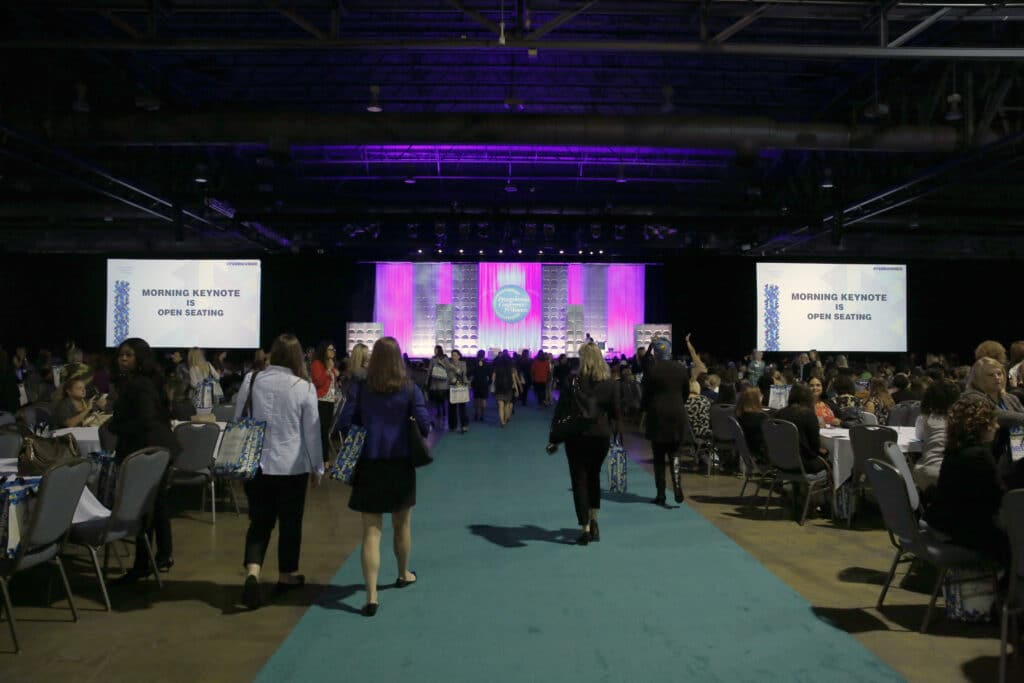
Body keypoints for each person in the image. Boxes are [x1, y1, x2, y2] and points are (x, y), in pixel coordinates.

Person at [336, 337, 430, 617]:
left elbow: (344, 421)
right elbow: (425, 426)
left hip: (369, 465)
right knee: (402, 526)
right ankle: (402, 573)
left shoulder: (360, 387)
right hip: (400, 464)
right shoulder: (410, 388)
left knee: (371, 532)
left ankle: (372, 596)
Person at [235, 333, 323, 610]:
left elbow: (239, 418)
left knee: (259, 523)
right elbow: (312, 433)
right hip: (291, 467)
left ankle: (253, 572)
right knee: (290, 523)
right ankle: (286, 575)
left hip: (257, 464)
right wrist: (317, 467)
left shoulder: (251, 380)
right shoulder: (304, 387)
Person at [107, 338, 178, 583]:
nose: (122, 359)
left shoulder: (139, 385)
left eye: (128, 355)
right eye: (120, 355)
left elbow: (146, 420)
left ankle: (143, 563)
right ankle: (161, 556)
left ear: (140, 358)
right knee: (156, 504)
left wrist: (116, 425)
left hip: (148, 451)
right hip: (156, 449)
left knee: (144, 507)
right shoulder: (144, 382)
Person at [924, 393, 1009, 569]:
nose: (997, 426)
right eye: (993, 422)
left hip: (942, 523)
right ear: (981, 425)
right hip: (961, 530)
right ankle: (1008, 592)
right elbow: (996, 501)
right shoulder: (979, 455)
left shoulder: (955, 448)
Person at [546, 343, 620, 545]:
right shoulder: (609, 383)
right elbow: (616, 413)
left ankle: (585, 528)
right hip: (600, 436)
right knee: (594, 477)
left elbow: (561, 411)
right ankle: (594, 519)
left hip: (576, 436)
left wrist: (553, 439)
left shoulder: (572, 381)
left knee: (579, 481)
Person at [641, 337, 690, 505]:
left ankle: (661, 494)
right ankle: (677, 486)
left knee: (659, 457)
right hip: (677, 413)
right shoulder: (681, 369)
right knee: (675, 453)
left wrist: (644, 410)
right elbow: (686, 393)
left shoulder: (651, 371)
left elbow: (645, 395)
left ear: (656, 353)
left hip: (657, 416)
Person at [913, 379, 961, 492]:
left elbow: (919, 436)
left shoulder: (924, 418)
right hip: (949, 472)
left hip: (924, 472)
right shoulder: (958, 419)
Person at [773, 383, 828, 474]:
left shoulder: (779, 413)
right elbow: (814, 447)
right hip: (802, 464)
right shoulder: (809, 415)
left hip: (779, 461)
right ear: (809, 397)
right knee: (830, 460)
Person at [310, 340, 341, 464]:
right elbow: (318, 382)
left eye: (333, 350)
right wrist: (328, 372)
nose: (332, 352)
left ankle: (324, 459)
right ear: (324, 350)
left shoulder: (331, 364)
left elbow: (332, 384)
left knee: (326, 431)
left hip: (330, 401)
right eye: (330, 349)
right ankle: (324, 460)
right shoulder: (317, 363)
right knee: (322, 431)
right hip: (321, 401)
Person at [735, 386, 767, 460]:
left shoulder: (739, 415)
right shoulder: (762, 418)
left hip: (744, 447)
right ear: (756, 399)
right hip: (759, 451)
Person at [492, 351, 521, 427]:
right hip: (508, 388)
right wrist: (517, 390)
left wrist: (492, 386)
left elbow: (493, 378)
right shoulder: (510, 368)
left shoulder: (497, 367)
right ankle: (505, 419)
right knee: (507, 405)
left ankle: (502, 421)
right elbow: (513, 379)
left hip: (499, 387)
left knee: (500, 405)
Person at [446, 349, 469, 433]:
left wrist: (454, 368)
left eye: (455, 355)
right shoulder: (448, 365)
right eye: (452, 355)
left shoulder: (463, 364)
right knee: (452, 407)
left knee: (462, 408)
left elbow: (462, 373)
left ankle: (464, 425)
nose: (453, 357)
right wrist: (453, 379)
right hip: (452, 387)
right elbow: (449, 376)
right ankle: (452, 426)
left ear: (459, 356)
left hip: (461, 386)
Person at [426, 345, 450, 422]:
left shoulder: (445, 358)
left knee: (442, 398)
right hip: (435, 381)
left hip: (443, 381)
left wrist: (441, 363)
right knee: (436, 398)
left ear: (439, 350)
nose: (435, 351)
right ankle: (439, 411)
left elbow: (448, 368)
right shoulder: (433, 359)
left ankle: (443, 410)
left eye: (436, 350)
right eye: (434, 350)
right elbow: (429, 370)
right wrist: (427, 380)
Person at [469, 350, 490, 422]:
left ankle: (476, 413)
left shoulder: (474, 363)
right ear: (484, 355)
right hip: (484, 384)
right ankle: (482, 415)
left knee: (476, 399)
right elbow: (489, 375)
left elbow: (471, 373)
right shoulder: (487, 364)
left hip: (476, 383)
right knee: (483, 400)